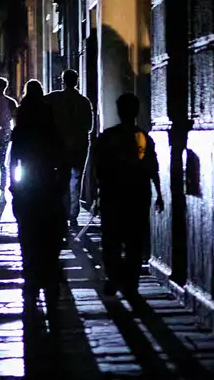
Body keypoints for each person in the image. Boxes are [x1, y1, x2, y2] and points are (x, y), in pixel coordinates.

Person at [89, 93, 164, 296]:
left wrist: (97, 192)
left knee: (111, 239)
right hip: (137, 193)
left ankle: (114, 278)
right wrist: (159, 193)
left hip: (112, 193)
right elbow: (151, 166)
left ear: (119, 111)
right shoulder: (141, 137)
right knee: (134, 240)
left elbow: (99, 167)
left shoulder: (108, 136)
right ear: (136, 112)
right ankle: (131, 282)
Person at [9, 79, 68, 316]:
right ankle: (50, 277)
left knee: (28, 235)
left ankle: (31, 280)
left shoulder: (21, 130)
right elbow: (62, 160)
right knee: (51, 235)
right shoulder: (51, 128)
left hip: (27, 185)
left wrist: (14, 185)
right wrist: (62, 184)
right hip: (48, 183)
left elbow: (13, 161)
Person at [44, 69, 94, 231]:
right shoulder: (84, 101)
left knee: (61, 179)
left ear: (63, 81)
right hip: (79, 145)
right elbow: (89, 126)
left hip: (60, 145)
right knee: (77, 179)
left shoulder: (54, 98)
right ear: (77, 81)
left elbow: (37, 102)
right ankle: (73, 214)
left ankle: (63, 212)